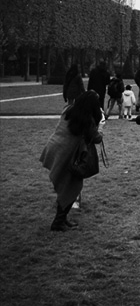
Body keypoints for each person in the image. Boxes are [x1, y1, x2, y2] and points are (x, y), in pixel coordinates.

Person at [39, 90, 103, 231]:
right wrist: (102, 126)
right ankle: (58, 222)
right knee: (71, 187)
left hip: (54, 149)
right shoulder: (87, 120)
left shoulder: (68, 110)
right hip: (66, 155)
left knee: (67, 186)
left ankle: (62, 219)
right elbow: (97, 138)